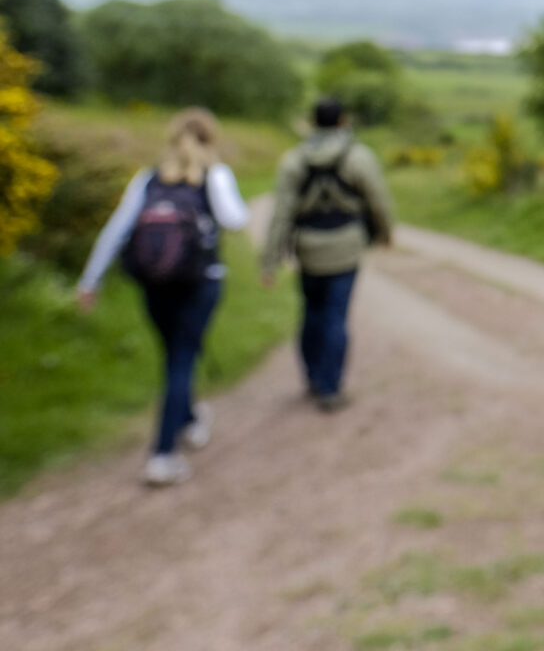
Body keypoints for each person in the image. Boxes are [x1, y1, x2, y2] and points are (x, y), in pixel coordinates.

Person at [77, 108, 252, 487]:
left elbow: (116, 231)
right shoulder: (215, 175)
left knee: (175, 354)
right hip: (199, 283)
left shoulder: (148, 178)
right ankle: (162, 454)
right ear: (210, 138)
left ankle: (188, 418)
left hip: (154, 284)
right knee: (182, 358)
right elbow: (236, 220)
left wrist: (90, 280)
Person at [262, 96, 395, 412]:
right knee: (336, 317)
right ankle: (330, 387)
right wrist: (385, 233)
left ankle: (311, 377)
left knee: (311, 313)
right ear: (342, 121)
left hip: (308, 250)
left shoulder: (294, 160)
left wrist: (269, 261)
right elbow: (378, 199)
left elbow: (280, 214)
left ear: (313, 122)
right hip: (346, 249)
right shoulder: (358, 157)